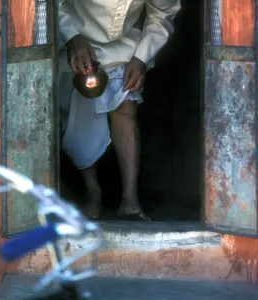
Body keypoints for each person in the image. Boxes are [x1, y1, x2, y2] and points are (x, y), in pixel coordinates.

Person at [58, 0, 181, 220]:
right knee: (78, 115)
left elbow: (162, 13)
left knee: (126, 110)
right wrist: (71, 37)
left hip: (123, 44)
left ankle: (130, 201)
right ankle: (92, 191)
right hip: (73, 39)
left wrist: (141, 58)